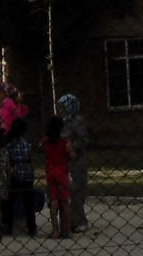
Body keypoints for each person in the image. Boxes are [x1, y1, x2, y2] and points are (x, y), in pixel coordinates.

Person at [57, 93, 89, 231]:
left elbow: (84, 140)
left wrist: (72, 146)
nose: (60, 110)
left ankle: (79, 221)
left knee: (76, 190)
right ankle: (68, 220)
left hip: (77, 160)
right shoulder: (61, 122)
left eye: (63, 107)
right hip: (64, 159)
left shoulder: (77, 121)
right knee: (66, 190)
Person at [5, 116, 38, 238]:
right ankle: (32, 227)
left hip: (16, 172)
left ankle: (8, 226)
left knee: (10, 200)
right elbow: (30, 157)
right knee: (28, 202)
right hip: (28, 173)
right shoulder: (27, 143)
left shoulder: (10, 144)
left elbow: (9, 159)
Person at [42, 115, 73, 239]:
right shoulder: (64, 142)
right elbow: (71, 154)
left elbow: (42, 150)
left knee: (53, 201)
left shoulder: (46, 142)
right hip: (62, 172)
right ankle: (67, 230)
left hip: (51, 171)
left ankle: (55, 230)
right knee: (64, 202)